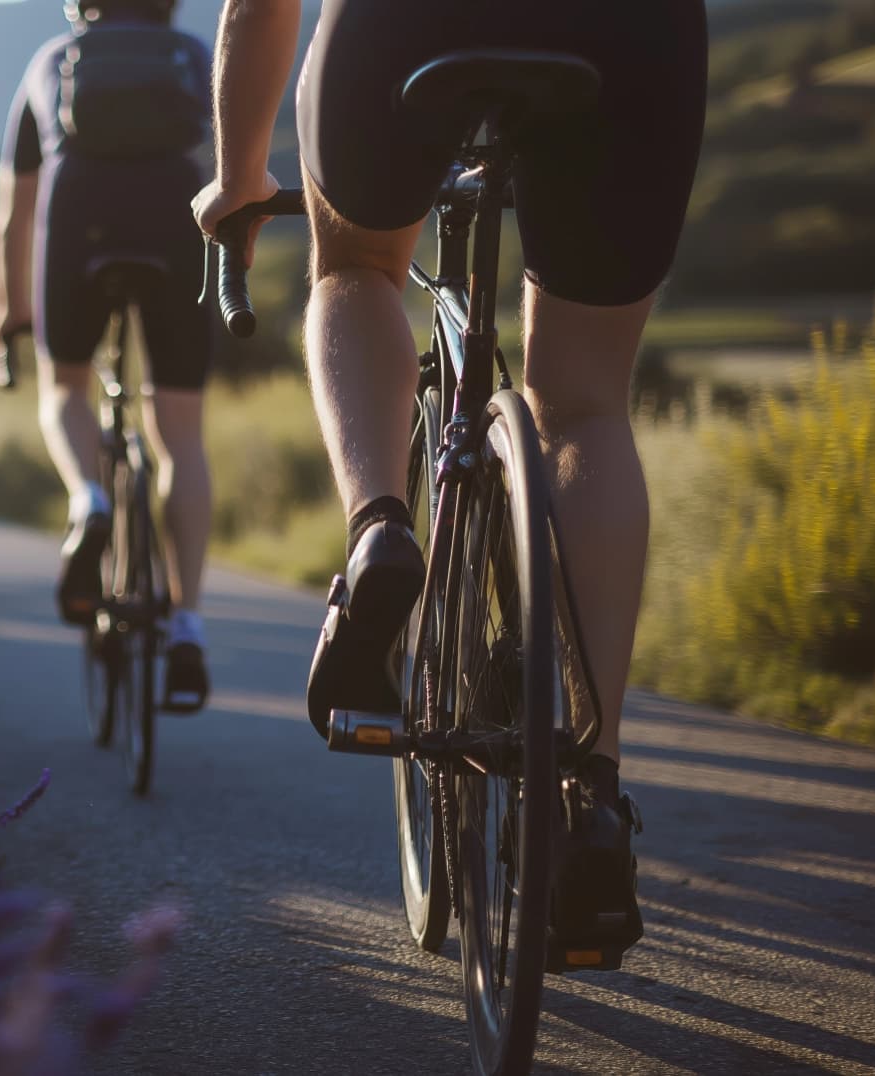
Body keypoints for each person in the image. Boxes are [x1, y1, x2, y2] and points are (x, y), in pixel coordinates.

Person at [194, 0, 706, 953]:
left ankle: (381, 529)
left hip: (404, 24)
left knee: (354, 264)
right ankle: (590, 794)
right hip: (634, 32)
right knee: (586, 402)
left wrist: (234, 176)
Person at [0, 0, 215, 711]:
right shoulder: (191, 55)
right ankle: (186, 625)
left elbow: (14, 209)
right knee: (179, 430)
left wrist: (7, 309)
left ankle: (88, 498)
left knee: (63, 389)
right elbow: (219, 161)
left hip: (79, 211)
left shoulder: (50, 60)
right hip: (178, 216)